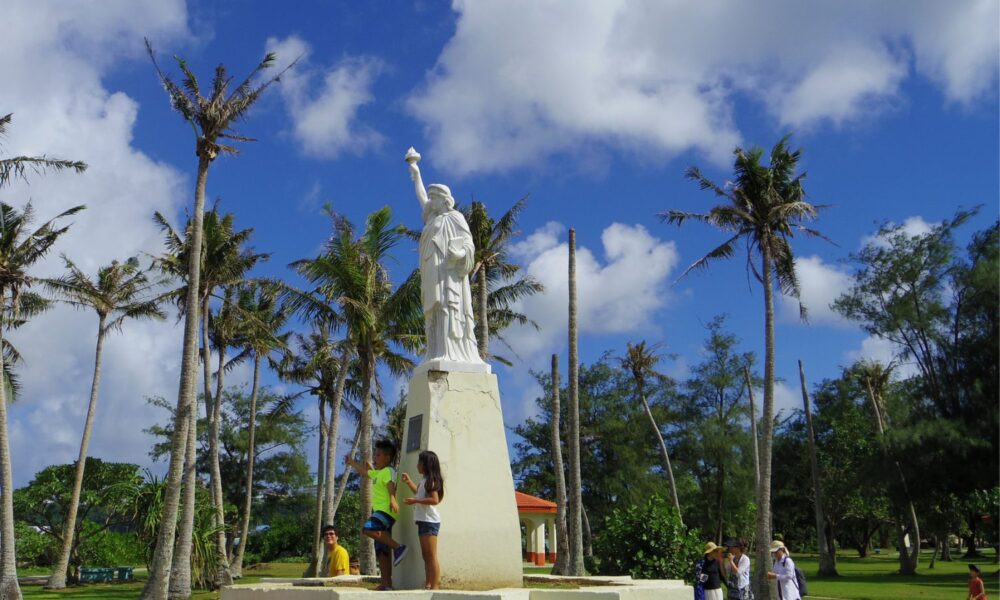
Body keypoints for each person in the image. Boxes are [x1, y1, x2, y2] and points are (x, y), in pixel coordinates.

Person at [345, 439, 406, 590]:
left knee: (368, 529)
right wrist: (352, 462)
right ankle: (386, 584)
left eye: (378, 455)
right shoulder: (378, 473)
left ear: (387, 457)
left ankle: (399, 547)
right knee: (381, 552)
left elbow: (391, 485)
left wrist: (392, 499)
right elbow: (364, 472)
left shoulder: (389, 471)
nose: (375, 457)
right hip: (379, 512)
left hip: (385, 511)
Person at [401, 450, 445, 589]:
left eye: (419, 462)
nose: (417, 465)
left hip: (430, 521)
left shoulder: (431, 480)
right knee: (426, 556)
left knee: (431, 555)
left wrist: (415, 501)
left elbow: (434, 499)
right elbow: (419, 493)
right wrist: (409, 482)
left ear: (426, 464)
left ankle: (435, 585)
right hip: (423, 521)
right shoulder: (424, 480)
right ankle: (428, 583)